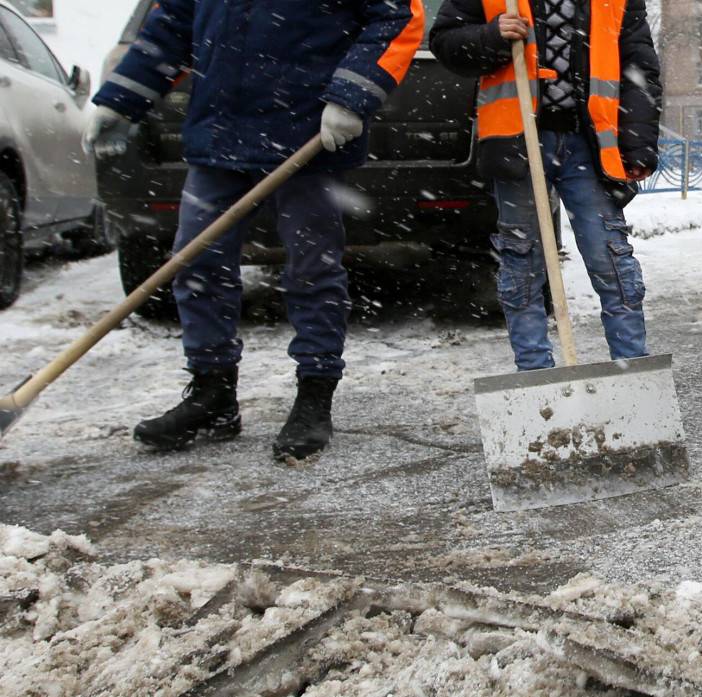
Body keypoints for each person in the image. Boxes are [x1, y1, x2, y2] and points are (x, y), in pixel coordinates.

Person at [83, 1, 425, 460]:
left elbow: (399, 16)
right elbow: (170, 26)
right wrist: (119, 100)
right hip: (218, 134)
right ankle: (212, 394)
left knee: (311, 269)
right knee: (195, 262)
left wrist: (352, 96)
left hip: (308, 135)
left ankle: (313, 396)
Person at [429, 0, 662, 371]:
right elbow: (445, 42)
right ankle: (535, 376)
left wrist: (637, 141)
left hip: (590, 145)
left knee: (611, 259)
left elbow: (639, 64)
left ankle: (631, 369)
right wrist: (492, 36)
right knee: (522, 262)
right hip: (516, 139)